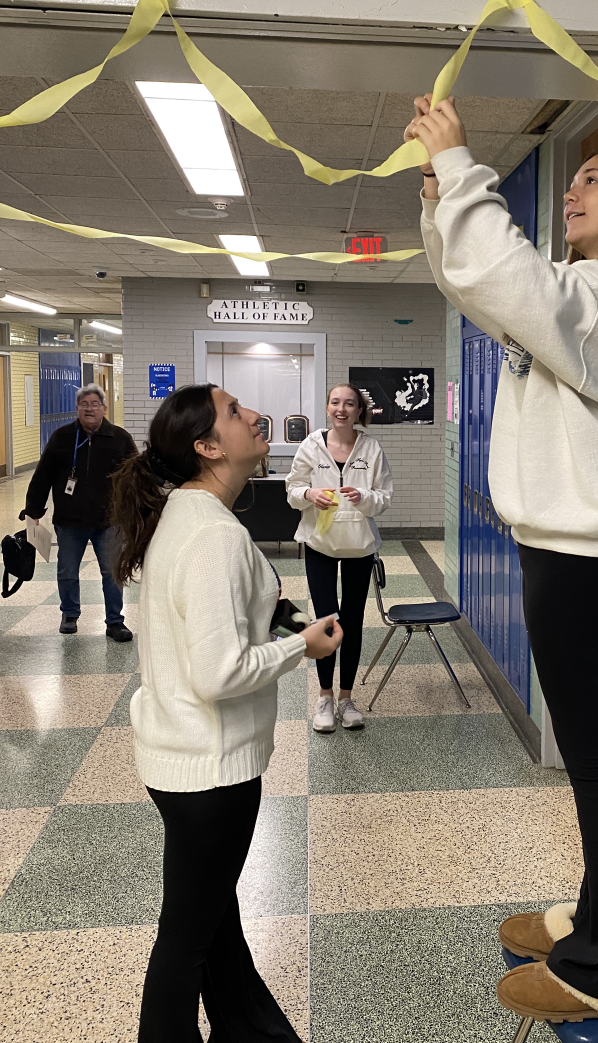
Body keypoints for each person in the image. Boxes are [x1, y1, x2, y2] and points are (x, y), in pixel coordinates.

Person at [406, 95, 598, 1023]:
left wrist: (462, 171)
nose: (573, 187)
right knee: (593, 756)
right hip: (573, 555)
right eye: (573, 175)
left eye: (593, 178)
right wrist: (438, 204)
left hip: (585, 562)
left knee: (596, 760)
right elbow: (484, 287)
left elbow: (524, 285)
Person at [111, 383, 342, 1042]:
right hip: (209, 772)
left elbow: (238, 613)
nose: (255, 416)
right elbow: (218, 673)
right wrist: (301, 646)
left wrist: (287, 618)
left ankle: (254, 1032)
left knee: (215, 923)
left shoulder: (186, 515)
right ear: (208, 447)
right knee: (186, 939)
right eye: (236, 413)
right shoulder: (211, 535)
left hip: (183, 762)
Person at [287, 383, 393, 733]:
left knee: (352, 622)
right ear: (327, 407)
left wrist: (362, 496)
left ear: (359, 411)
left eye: (349, 404)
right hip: (320, 545)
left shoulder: (371, 448)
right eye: (335, 402)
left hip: (359, 549)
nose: (342, 409)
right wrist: (309, 492)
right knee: (326, 621)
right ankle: (324, 697)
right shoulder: (311, 445)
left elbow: (383, 498)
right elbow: (292, 491)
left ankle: (346, 698)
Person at [24, 382, 136, 640]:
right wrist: (33, 509)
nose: (89, 409)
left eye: (94, 404)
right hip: (70, 519)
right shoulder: (62, 437)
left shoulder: (119, 439)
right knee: (67, 570)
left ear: (104, 408)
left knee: (111, 571)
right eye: (84, 404)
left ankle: (115, 621)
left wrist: (137, 508)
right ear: (77, 408)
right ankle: (70, 614)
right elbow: (43, 475)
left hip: (108, 519)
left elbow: (134, 476)